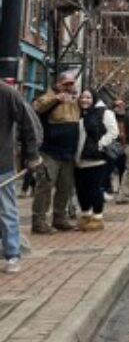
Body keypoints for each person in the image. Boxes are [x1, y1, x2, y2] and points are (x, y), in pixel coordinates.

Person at [0, 81, 43, 273]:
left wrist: (32, 155)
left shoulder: (7, 94)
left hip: (1, 164)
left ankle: (13, 254)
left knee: (6, 210)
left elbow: (29, 125)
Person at [31, 71, 81, 234]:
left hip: (68, 152)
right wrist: (56, 99)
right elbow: (37, 107)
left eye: (71, 83)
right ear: (58, 83)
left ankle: (60, 218)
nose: (69, 87)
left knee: (65, 187)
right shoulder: (48, 96)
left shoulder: (74, 100)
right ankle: (39, 221)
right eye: (65, 84)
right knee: (45, 186)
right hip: (50, 151)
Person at [73, 90, 119, 231]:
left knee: (94, 189)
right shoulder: (78, 113)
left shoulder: (104, 113)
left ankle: (97, 217)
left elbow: (113, 131)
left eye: (88, 97)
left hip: (96, 159)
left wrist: (100, 144)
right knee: (81, 189)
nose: (84, 100)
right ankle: (85, 215)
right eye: (82, 97)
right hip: (78, 158)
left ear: (94, 99)